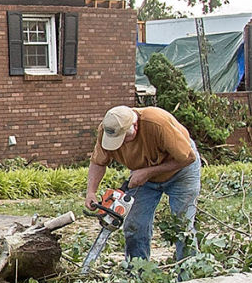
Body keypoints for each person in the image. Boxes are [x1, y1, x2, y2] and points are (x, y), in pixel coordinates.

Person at [84, 105, 201, 264]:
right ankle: (137, 274)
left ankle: (189, 273)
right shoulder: (108, 129)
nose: (121, 144)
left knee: (182, 226)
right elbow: (98, 162)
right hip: (142, 174)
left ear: (135, 125)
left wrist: (147, 172)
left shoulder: (157, 123)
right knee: (134, 225)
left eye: (124, 138)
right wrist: (91, 191)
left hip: (180, 171)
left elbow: (188, 158)